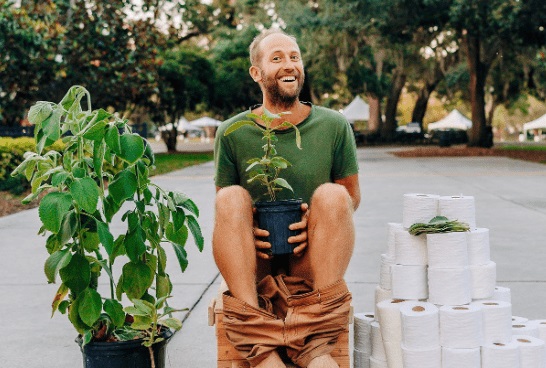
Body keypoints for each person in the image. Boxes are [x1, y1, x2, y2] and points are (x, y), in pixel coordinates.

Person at [213, 28, 360, 368]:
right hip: (256, 267)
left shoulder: (334, 125)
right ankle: (260, 344)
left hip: (311, 261)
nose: (288, 65)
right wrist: (249, 228)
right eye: (276, 58)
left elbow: (351, 197)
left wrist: (315, 221)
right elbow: (226, 214)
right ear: (257, 72)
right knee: (232, 198)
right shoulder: (232, 132)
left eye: (294, 57)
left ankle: (314, 339)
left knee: (334, 195)